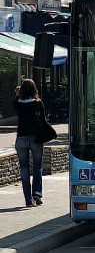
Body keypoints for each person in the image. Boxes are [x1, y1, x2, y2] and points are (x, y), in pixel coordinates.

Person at [13, 79, 48, 208]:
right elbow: (43, 120)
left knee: (24, 168)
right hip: (35, 138)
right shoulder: (38, 103)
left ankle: (28, 199)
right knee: (37, 166)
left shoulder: (17, 103)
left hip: (21, 138)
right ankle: (37, 193)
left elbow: (17, 112)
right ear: (34, 89)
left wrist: (17, 96)